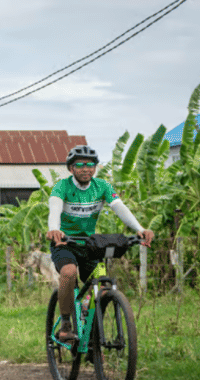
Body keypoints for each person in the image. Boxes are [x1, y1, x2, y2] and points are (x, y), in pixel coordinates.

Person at [46, 145, 153, 342]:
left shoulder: (102, 186)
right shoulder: (62, 187)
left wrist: (139, 229)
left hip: (89, 244)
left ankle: (94, 336)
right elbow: (55, 207)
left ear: (95, 168)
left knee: (103, 285)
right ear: (71, 168)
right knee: (68, 273)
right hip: (64, 243)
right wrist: (54, 229)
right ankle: (66, 323)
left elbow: (119, 207)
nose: (85, 169)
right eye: (80, 164)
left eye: (90, 165)